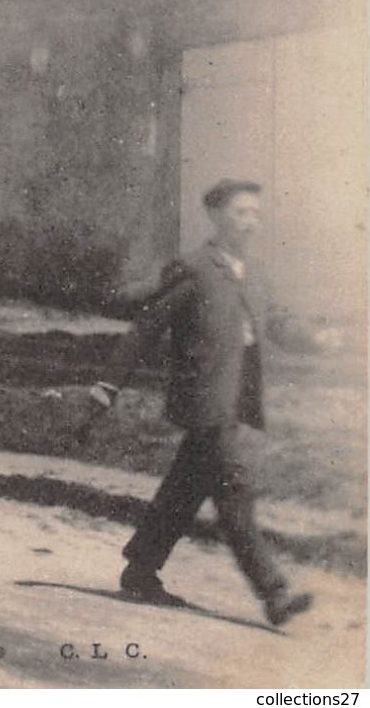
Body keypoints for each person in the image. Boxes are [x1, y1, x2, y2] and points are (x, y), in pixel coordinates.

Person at [99, 178, 333, 627]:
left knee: (188, 484)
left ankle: (141, 569)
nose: (251, 222)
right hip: (204, 396)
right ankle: (274, 592)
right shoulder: (195, 268)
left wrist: (317, 340)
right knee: (234, 489)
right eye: (241, 212)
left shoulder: (256, 272)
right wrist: (108, 385)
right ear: (216, 216)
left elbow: (279, 324)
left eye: (256, 214)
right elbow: (147, 327)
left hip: (237, 397)